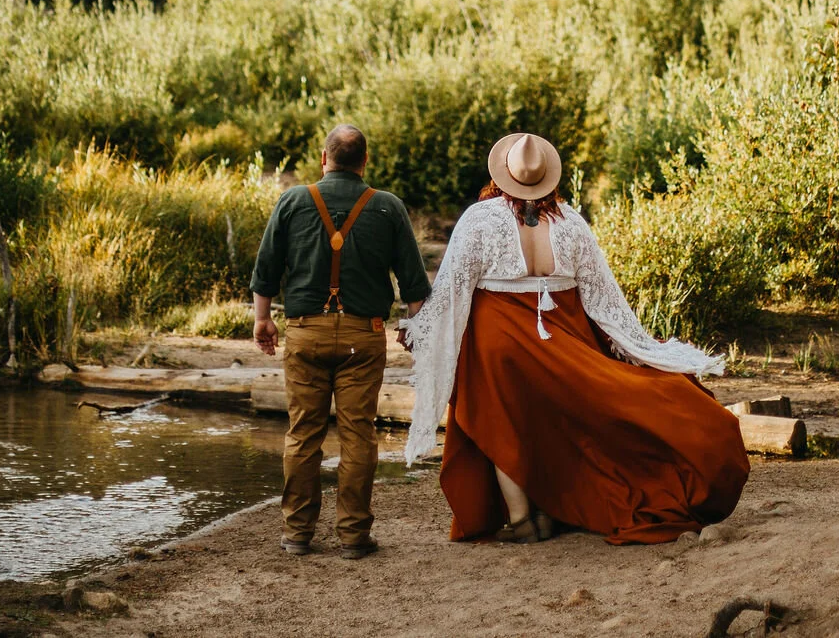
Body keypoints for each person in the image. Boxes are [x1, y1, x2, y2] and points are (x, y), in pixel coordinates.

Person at [402, 132, 748, 544]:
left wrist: (420, 331)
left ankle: (523, 519)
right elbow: (603, 298)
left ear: (502, 173)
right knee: (554, 422)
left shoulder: (478, 219)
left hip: (497, 339)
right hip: (560, 338)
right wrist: (639, 349)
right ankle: (548, 511)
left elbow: (452, 289)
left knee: (502, 422)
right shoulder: (570, 222)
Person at [250, 123, 431, 559]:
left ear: (323, 158)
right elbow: (414, 285)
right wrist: (413, 328)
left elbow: (266, 267)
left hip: (305, 333)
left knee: (302, 434)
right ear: (365, 161)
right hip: (362, 337)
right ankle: (353, 535)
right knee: (359, 436)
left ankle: (297, 533)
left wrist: (262, 319)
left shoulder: (293, 200)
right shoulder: (388, 206)